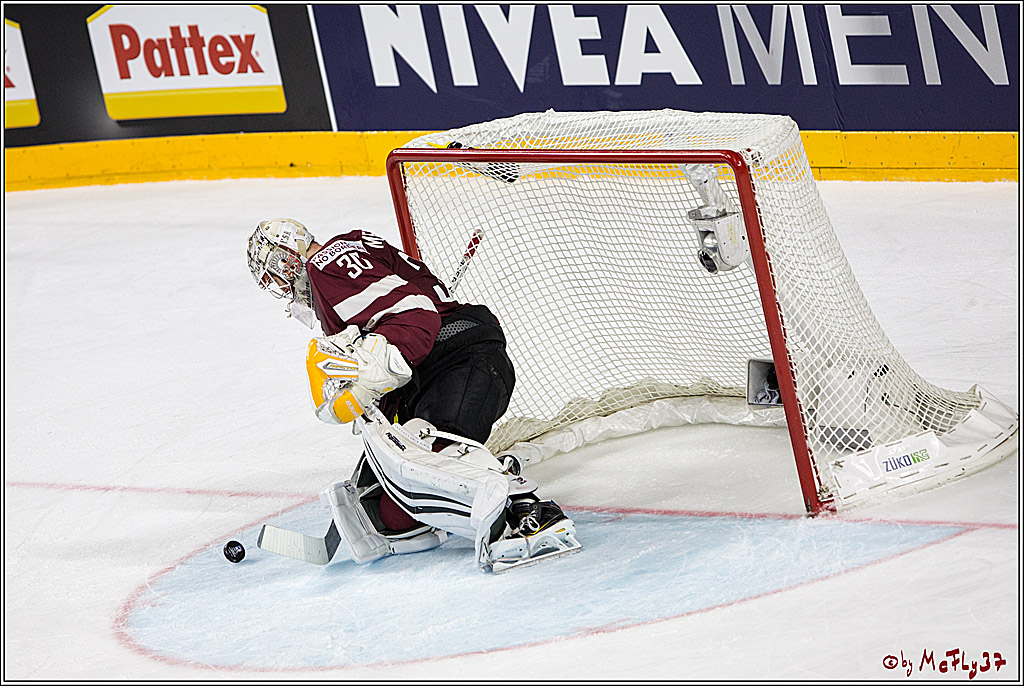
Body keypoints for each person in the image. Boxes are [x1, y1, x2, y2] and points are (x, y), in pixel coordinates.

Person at [246, 218, 581, 571]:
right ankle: (468, 486)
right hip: (433, 374)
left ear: (286, 258)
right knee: (389, 512)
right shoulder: (345, 260)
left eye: (273, 272)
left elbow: (415, 316)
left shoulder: (327, 265)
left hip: (459, 359)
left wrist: (370, 371)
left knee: (435, 456)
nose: (279, 285)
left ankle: (528, 513)